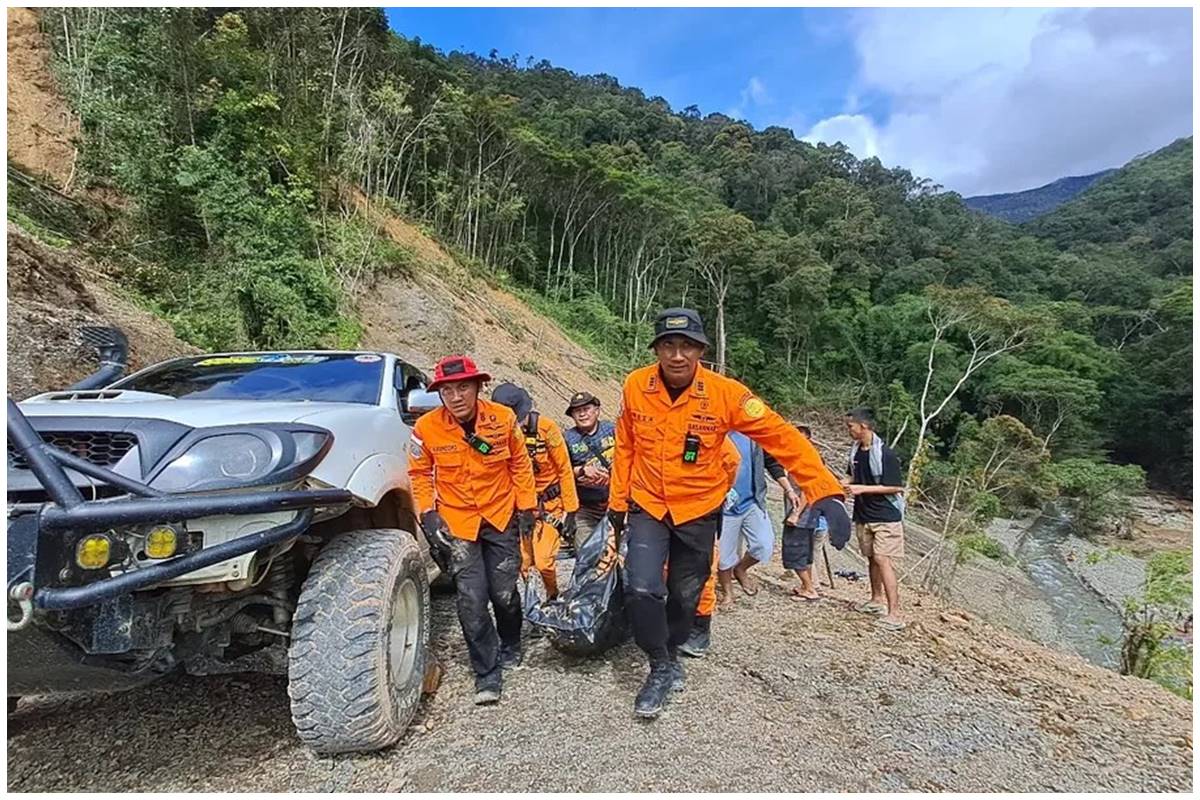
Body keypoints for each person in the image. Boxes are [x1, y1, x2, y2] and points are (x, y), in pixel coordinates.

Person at [608, 307, 850, 719]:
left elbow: (782, 437)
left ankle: (673, 648)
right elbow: (627, 444)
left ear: (702, 349)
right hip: (648, 503)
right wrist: (617, 503)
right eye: (669, 345)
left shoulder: (727, 395)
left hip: (699, 509)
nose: (678, 355)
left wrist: (823, 489)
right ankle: (660, 666)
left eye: (688, 346)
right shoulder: (636, 385)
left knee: (686, 596)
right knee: (642, 587)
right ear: (657, 349)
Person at [407, 355, 537, 705]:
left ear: (479, 387)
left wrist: (527, 507)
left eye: (463, 387)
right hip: (459, 523)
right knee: (471, 599)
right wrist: (429, 515)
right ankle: (487, 671)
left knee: (505, 592)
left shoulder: (503, 418)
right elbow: (419, 475)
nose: (456, 396)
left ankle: (511, 640)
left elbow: (519, 463)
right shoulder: (426, 428)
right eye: (447, 390)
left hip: (500, 516)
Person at [492, 383, 579, 599]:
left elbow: (564, 469)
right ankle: (533, 603)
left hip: (550, 504)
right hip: (521, 507)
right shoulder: (497, 434)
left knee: (544, 562)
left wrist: (571, 510)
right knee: (523, 562)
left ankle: (552, 595)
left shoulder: (546, 428)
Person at [716, 431, 800, 606]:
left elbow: (772, 463)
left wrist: (789, 489)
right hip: (724, 505)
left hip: (752, 501)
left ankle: (741, 568)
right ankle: (728, 592)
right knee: (723, 556)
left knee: (763, 545)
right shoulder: (718, 432)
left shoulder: (754, 434)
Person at [843, 407, 907, 632]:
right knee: (871, 558)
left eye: (851, 426)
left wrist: (862, 489)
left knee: (882, 559)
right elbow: (851, 474)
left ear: (864, 426)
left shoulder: (886, 454)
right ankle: (876, 599)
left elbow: (896, 486)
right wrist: (845, 484)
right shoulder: (855, 451)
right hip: (864, 514)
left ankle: (895, 613)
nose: (848, 430)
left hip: (885, 516)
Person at [782, 425, 841, 601]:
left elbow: (807, 490)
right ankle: (807, 586)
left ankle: (810, 588)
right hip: (810, 516)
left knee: (795, 551)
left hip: (804, 515)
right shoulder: (800, 458)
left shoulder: (807, 461)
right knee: (806, 552)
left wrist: (796, 514)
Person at [563, 391, 616, 550]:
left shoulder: (613, 430)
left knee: (619, 555)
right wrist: (582, 470)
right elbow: (561, 472)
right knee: (586, 556)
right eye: (577, 411)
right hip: (584, 508)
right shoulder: (567, 438)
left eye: (586, 408)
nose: (582, 414)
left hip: (614, 505)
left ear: (597, 410)